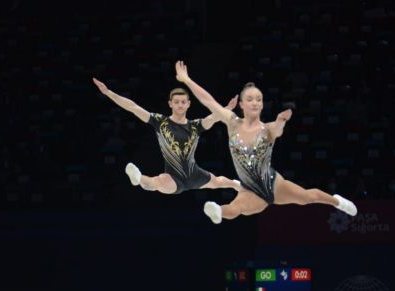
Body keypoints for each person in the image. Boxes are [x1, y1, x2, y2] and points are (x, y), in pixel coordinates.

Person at [173, 61, 357, 224]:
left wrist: (280, 122)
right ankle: (217, 211)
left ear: (261, 104)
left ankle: (337, 201)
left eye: (258, 99)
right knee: (235, 208)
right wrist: (187, 80)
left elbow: (277, 131)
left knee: (308, 197)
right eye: (250, 99)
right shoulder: (232, 122)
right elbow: (209, 101)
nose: (255, 102)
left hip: (274, 183)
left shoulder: (267, 128)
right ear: (242, 105)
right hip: (250, 189)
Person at [92, 78, 242, 194]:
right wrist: (108, 93)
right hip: (173, 177)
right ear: (170, 103)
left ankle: (238, 185)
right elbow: (133, 107)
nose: (180, 105)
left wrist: (227, 108)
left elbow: (214, 118)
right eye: (176, 102)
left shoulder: (196, 125)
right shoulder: (160, 122)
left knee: (220, 182)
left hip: (195, 174)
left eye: (183, 102)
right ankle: (139, 178)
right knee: (158, 182)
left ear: (189, 104)